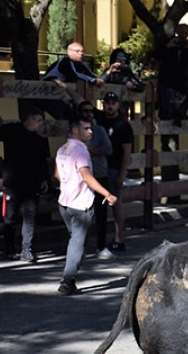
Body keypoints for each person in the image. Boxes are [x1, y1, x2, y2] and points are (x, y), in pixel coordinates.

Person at [54, 117, 117, 295]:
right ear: (75, 130)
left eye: (91, 128)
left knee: (76, 241)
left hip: (64, 202)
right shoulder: (81, 151)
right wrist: (106, 193)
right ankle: (67, 282)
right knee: (76, 243)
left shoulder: (62, 149)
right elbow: (87, 176)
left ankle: (71, 274)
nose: (90, 132)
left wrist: (69, 184)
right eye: (86, 128)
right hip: (81, 204)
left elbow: (57, 174)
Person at [0, 108, 50, 262]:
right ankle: (9, 249)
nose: (40, 124)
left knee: (30, 217)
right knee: (10, 217)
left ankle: (27, 249)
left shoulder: (39, 138)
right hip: (12, 183)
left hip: (32, 184)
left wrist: (44, 180)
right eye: (38, 120)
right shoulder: (11, 130)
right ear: (29, 119)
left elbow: (42, 160)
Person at [76, 101, 114, 260]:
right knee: (81, 215)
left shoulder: (99, 130)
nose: (89, 114)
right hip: (81, 179)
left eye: (91, 111)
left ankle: (101, 245)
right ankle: (79, 247)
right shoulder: (75, 131)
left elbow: (108, 149)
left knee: (101, 212)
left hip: (99, 175)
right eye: (85, 111)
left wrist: (90, 150)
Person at [100, 91, 132, 251]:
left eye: (113, 103)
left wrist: (122, 173)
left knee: (116, 203)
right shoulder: (98, 119)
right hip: (99, 169)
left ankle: (119, 239)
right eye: (107, 103)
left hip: (114, 168)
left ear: (118, 105)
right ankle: (100, 240)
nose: (110, 106)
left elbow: (127, 151)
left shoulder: (123, 125)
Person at [41, 42, 103, 119]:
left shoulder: (82, 64)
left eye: (82, 51)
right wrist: (93, 80)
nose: (81, 53)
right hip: (48, 93)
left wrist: (97, 79)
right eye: (77, 51)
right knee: (64, 117)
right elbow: (75, 74)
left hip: (63, 95)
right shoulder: (65, 61)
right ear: (69, 52)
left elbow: (92, 75)